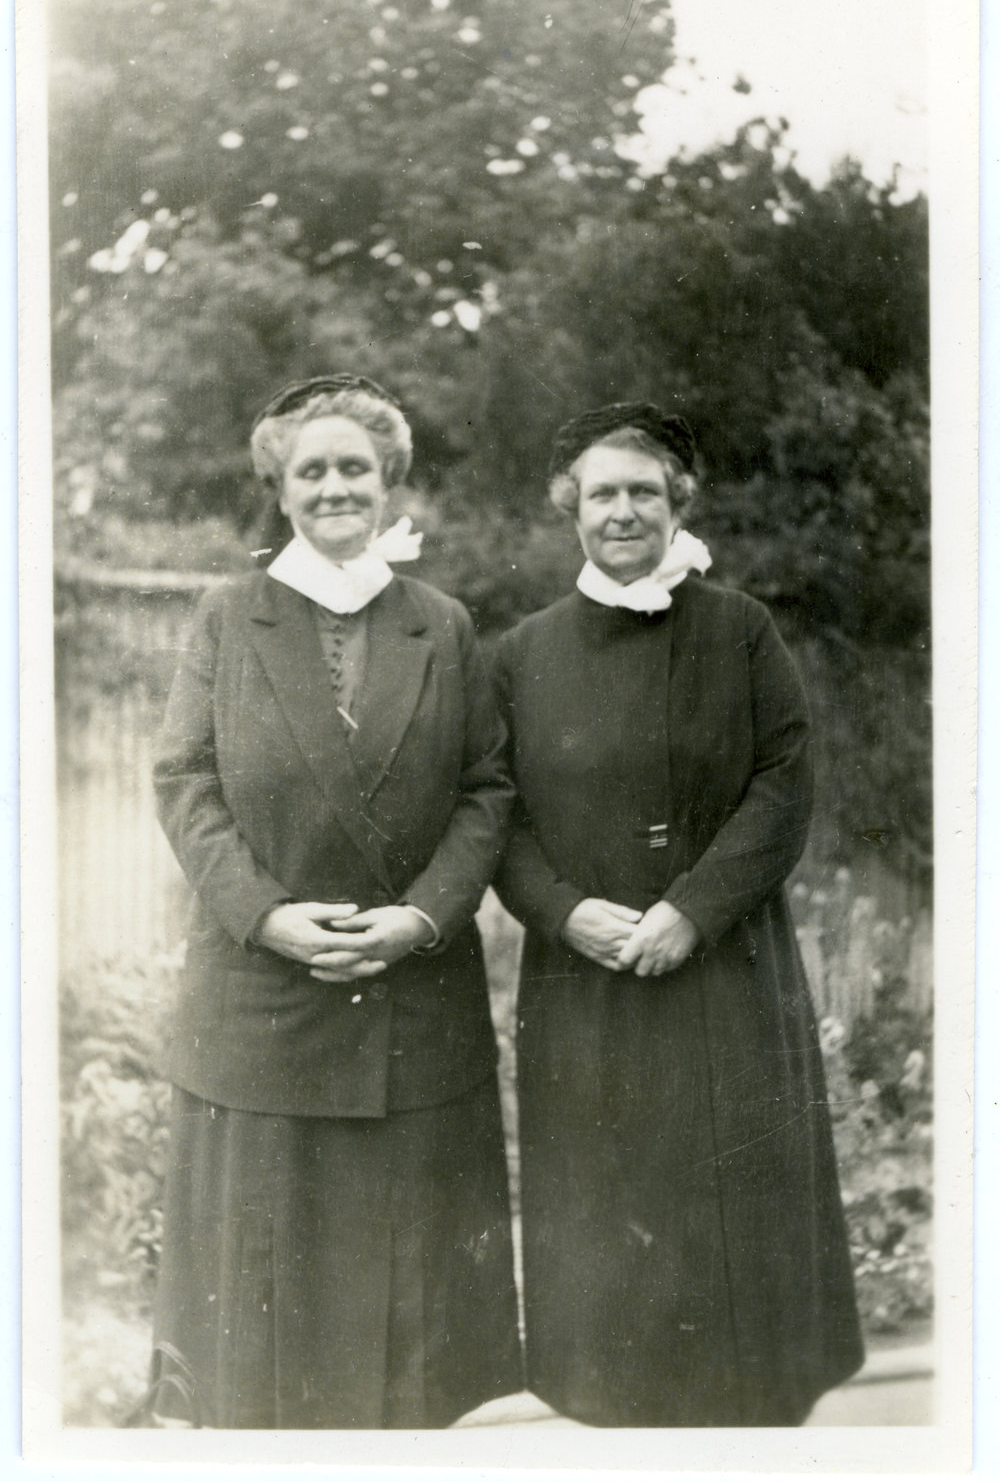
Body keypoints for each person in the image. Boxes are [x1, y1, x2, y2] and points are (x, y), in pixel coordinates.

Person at [148, 374, 520, 1429]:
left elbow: (487, 789)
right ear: (280, 488)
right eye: (310, 469)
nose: (334, 486)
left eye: (354, 466)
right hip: (262, 1007)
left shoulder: (441, 625)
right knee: (261, 1340)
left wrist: (423, 917)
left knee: (405, 1349)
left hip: (411, 1005)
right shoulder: (228, 617)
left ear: (389, 481)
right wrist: (266, 916)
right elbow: (184, 781)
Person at [494, 402, 864, 1428]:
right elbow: (499, 818)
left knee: (737, 1253)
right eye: (603, 493)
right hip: (587, 994)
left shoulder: (741, 631)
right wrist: (567, 916)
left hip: (725, 980)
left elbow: (783, 785)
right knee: (613, 1284)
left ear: (676, 505)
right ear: (570, 507)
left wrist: (690, 912)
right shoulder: (522, 655)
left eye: (643, 493)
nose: (623, 512)